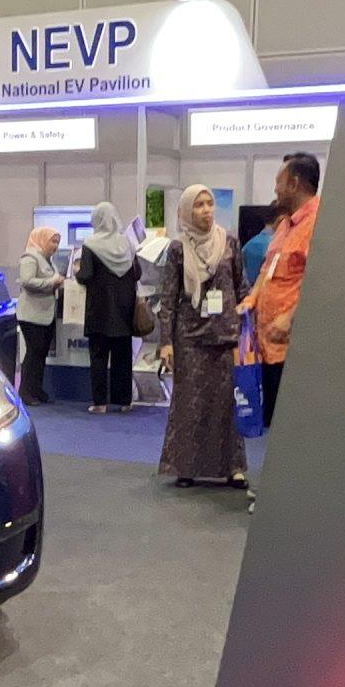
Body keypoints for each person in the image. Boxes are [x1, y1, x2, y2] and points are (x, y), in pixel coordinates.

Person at [155, 184, 247, 486]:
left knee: (226, 404)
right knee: (189, 404)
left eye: (209, 203)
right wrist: (166, 343)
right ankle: (186, 467)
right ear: (186, 211)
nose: (206, 210)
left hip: (225, 336)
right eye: (199, 205)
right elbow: (168, 298)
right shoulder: (178, 249)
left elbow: (241, 286)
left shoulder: (229, 242)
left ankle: (233, 468)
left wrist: (246, 326)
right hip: (190, 338)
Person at [243, 150, 320, 430]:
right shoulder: (285, 225)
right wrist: (251, 299)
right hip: (267, 344)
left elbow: (318, 281)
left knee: (290, 426)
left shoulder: (318, 223)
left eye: (279, 182)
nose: (275, 189)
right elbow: (268, 269)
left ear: (294, 184)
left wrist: (288, 318)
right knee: (271, 423)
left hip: (293, 348)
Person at [72, 201, 141, 414]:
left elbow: (86, 275)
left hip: (99, 310)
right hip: (124, 310)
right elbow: (137, 273)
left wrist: (76, 271)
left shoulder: (91, 245)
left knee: (99, 357)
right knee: (123, 357)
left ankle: (100, 403)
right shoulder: (127, 243)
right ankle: (124, 401)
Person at [12, 225, 62, 404]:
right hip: (31, 316)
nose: (55, 246)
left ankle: (37, 389)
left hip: (45, 315)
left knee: (41, 353)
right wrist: (52, 282)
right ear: (42, 240)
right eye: (53, 241)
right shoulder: (30, 257)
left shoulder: (47, 260)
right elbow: (26, 281)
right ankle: (26, 392)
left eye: (57, 242)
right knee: (33, 354)